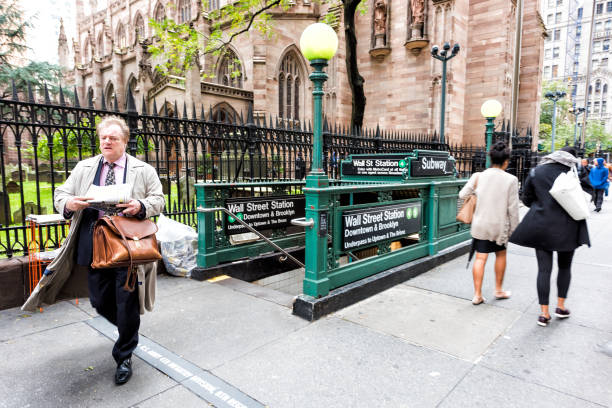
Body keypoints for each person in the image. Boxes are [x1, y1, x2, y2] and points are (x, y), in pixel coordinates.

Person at [22, 116, 165, 384]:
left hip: (127, 244)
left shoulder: (143, 170)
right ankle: (128, 329)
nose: (107, 141)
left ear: (124, 141)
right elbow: (60, 193)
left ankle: (124, 355)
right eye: (103, 138)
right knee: (100, 302)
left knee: (127, 301)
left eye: (113, 138)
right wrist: (70, 203)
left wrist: (140, 206)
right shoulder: (84, 167)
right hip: (93, 242)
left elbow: (159, 199)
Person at [510, 146, 590, 327]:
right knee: (565, 267)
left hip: (542, 225)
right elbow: (587, 192)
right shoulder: (574, 171)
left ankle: (543, 313)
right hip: (569, 227)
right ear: (572, 157)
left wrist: (541, 206)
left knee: (544, 270)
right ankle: (560, 307)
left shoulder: (537, 171)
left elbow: (526, 198)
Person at [459, 141, 519, 305]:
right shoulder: (511, 180)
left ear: (491, 159)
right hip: (499, 227)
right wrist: (515, 230)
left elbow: (462, 194)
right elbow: (513, 209)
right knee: (501, 255)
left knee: (480, 258)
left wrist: (478, 193)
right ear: (506, 161)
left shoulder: (478, 176)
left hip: (480, 224)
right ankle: (498, 290)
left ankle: (477, 295)